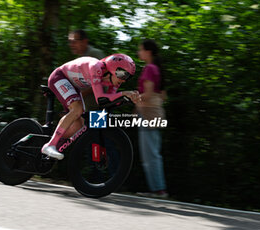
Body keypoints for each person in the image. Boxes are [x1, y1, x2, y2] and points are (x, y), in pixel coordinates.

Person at [41, 54, 141, 160]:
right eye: (123, 74)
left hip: (74, 86)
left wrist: (128, 99)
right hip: (59, 76)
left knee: (79, 124)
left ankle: (52, 142)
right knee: (77, 109)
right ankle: (50, 145)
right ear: (113, 68)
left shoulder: (115, 80)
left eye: (128, 77)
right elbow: (100, 98)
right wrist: (123, 94)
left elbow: (106, 103)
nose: (124, 80)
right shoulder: (96, 67)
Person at [136, 40, 168, 198]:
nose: (138, 52)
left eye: (140, 49)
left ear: (148, 52)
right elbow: (163, 96)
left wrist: (131, 97)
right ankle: (157, 189)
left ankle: (158, 190)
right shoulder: (157, 69)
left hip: (147, 115)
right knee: (152, 153)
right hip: (156, 114)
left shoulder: (149, 68)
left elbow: (147, 95)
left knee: (150, 155)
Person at [68, 29, 106, 111]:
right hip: (85, 109)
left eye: (74, 41)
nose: (71, 45)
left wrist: (79, 95)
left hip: (98, 108)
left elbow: (102, 80)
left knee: (97, 124)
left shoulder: (94, 54)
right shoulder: (79, 59)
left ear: (84, 41)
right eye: (70, 42)